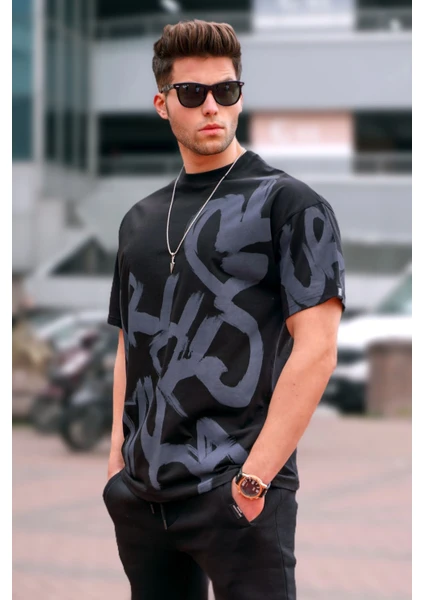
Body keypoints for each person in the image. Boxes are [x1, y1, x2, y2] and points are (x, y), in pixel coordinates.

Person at [103, 19, 346, 600]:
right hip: (143, 497)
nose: (211, 106)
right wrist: (117, 468)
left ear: (240, 96)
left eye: (226, 90)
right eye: (192, 93)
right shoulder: (138, 220)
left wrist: (255, 481)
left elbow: (317, 349)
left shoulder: (289, 204)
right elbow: (129, 345)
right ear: (163, 104)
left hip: (237, 493)